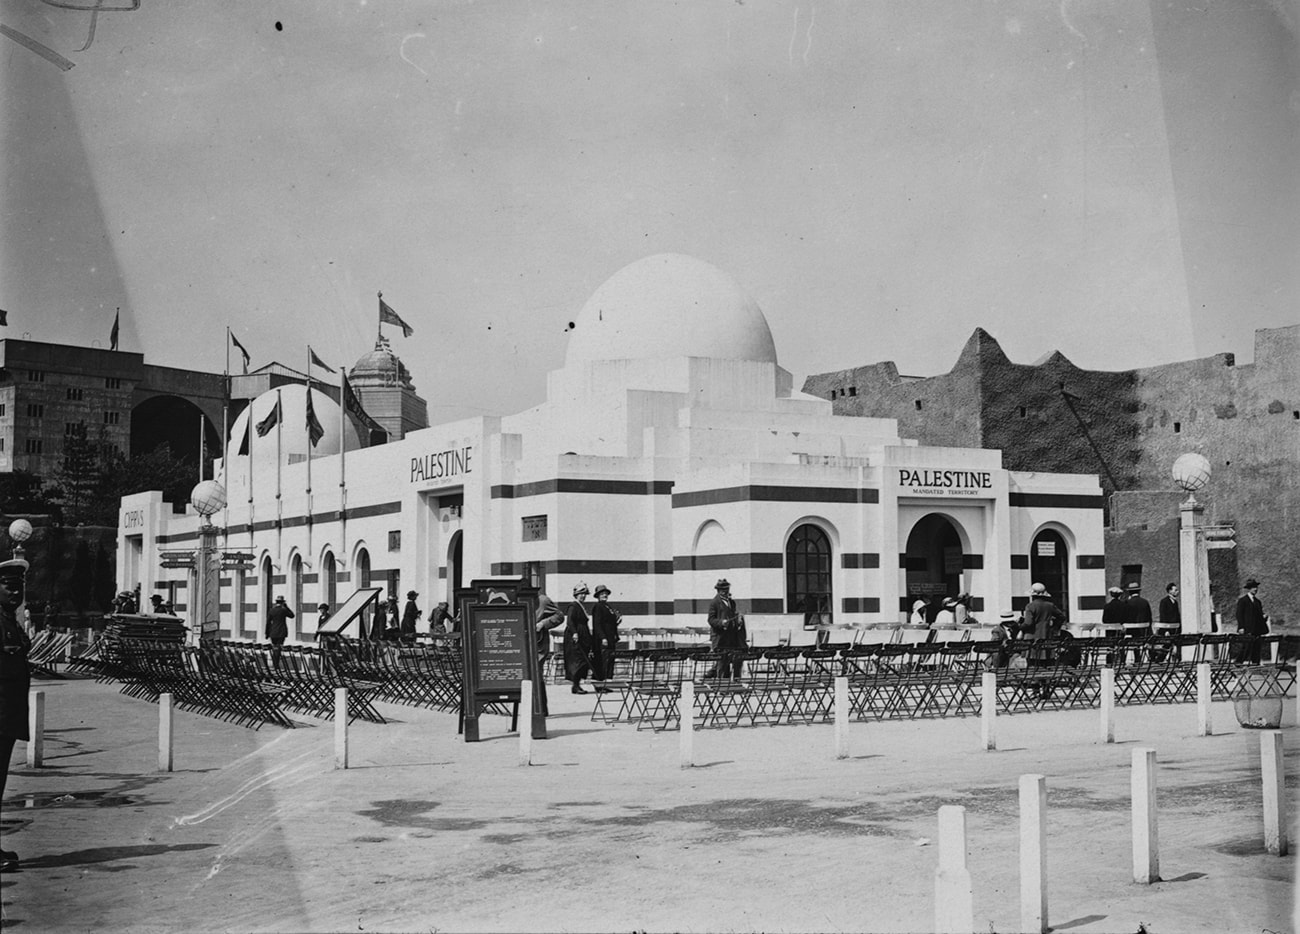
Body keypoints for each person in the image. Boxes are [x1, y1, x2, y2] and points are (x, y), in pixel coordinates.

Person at [0, 559, 31, 872]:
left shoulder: (10, 619)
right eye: (8, 585)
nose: (14, 590)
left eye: (18, 585)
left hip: (6, 717)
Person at [706, 578, 747, 679]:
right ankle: (723, 687)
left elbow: (732, 615)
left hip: (732, 639)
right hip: (720, 639)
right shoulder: (714, 603)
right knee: (723, 665)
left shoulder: (732, 602)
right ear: (718, 591)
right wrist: (721, 622)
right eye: (723, 590)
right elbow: (711, 620)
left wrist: (738, 621)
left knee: (735, 662)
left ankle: (735, 685)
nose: (726, 591)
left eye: (727, 589)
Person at [534, 592, 566, 714]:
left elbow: (559, 616)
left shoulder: (542, 600)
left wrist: (543, 624)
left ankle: (541, 709)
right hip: (520, 643)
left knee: (536, 673)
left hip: (538, 644)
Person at [1021, 583, 1065, 667]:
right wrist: (1054, 626)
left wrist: (1020, 626)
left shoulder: (1030, 606)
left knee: (1032, 664)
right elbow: (1062, 617)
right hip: (1046, 636)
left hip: (1032, 638)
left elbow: (1028, 623)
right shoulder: (1050, 605)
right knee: (1046, 664)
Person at [562, 583, 594, 693]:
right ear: (576, 595)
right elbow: (570, 621)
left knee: (583, 661)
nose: (583, 596)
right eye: (581, 594)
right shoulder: (573, 606)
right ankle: (575, 686)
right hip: (575, 637)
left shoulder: (580, 606)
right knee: (577, 661)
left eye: (584, 594)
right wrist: (575, 633)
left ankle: (577, 685)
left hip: (583, 635)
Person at [589, 585, 622, 691]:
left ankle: (607, 683)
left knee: (609, 660)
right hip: (603, 639)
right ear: (598, 596)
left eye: (606, 593)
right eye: (602, 594)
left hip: (610, 637)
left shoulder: (608, 606)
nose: (604, 595)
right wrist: (603, 637)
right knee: (603, 661)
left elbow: (609, 623)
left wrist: (617, 621)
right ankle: (600, 685)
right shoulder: (598, 607)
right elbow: (597, 624)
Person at [1234, 577, 1269, 664]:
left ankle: (1255, 665)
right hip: (1247, 628)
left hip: (1257, 629)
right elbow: (1239, 615)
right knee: (1246, 647)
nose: (1255, 589)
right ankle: (1237, 663)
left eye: (1256, 587)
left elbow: (1259, 614)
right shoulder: (1243, 601)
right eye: (1253, 587)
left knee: (1256, 648)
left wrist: (1264, 616)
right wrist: (1241, 627)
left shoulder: (1258, 602)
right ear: (1249, 589)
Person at [266, 595, 294, 669]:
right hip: (281, 632)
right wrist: (286, 607)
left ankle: (275, 663)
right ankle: (276, 664)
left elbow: (268, 622)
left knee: (274, 648)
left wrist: (267, 633)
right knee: (278, 648)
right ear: (282, 603)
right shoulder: (283, 610)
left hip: (273, 632)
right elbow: (292, 615)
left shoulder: (272, 610)